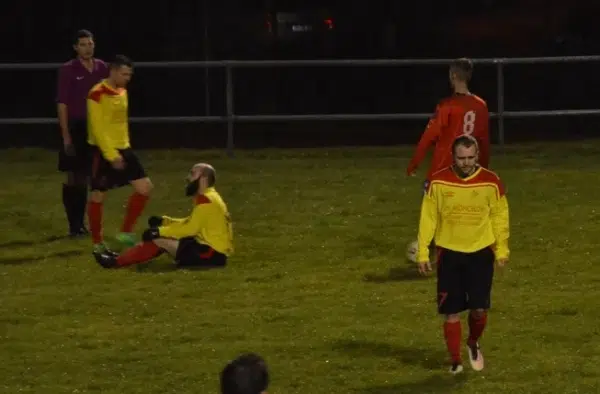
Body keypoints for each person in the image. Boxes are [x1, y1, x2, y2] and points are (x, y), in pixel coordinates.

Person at [415, 135, 509, 375]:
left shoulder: (491, 182)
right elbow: (428, 218)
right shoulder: (438, 181)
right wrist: (423, 252)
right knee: (451, 312)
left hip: (480, 252)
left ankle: (473, 342)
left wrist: (502, 249)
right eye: (461, 158)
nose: (466, 162)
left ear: (477, 156)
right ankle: (456, 361)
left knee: (479, 310)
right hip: (449, 253)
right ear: (453, 156)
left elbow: (500, 217)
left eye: (470, 157)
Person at [93, 163, 233, 269]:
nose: (188, 178)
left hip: (210, 255)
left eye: (192, 173)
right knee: (164, 238)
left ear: (203, 178)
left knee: (160, 240)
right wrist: (165, 222)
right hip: (212, 252)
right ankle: (120, 259)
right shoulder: (210, 196)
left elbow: (190, 229)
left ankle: (115, 262)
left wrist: (158, 231)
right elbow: (190, 223)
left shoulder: (206, 200)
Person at [86, 54, 153, 254]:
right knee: (98, 195)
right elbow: (98, 128)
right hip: (103, 151)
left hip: (123, 148)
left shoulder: (122, 90)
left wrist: (125, 149)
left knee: (145, 188)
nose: (127, 78)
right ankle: (97, 242)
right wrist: (111, 154)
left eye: (129, 75)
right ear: (113, 71)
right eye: (124, 74)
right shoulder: (96, 94)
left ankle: (125, 233)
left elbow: (120, 123)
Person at [56, 29, 109, 237]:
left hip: (96, 126)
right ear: (76, 48)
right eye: (83, 44)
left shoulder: (102, 68)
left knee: (91, 175)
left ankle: (85, 224)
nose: (88, 48)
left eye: (90, 44)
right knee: (73, 177)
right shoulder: (68, 69)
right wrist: (66, 135)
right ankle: (74, 224)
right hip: (76, 126)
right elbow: (62, 103)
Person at [407, 58, 490, 187]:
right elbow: (483, 141)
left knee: (432, 205)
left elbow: (428, 137)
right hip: (469, 170)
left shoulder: (446, 106)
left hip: (443, 168)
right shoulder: (481, 105)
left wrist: (414, 163)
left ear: (453, 76)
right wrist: (483, 169)